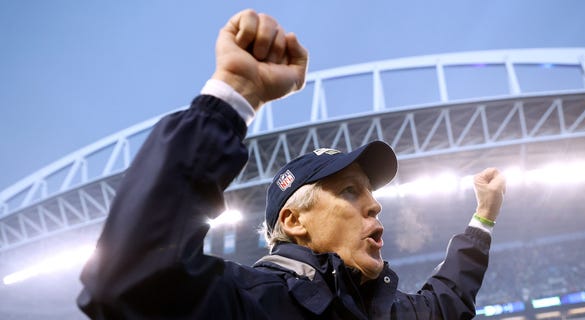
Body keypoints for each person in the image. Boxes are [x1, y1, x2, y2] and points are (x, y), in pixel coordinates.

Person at [77, 9, 506, 319]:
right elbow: (132, 278)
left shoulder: (387, 310)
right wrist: (233, 95)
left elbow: (448, 299)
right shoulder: (249, 303)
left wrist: (482, 220)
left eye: (372, 195)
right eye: (350, 191)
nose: (375, 207)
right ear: (295, 221)